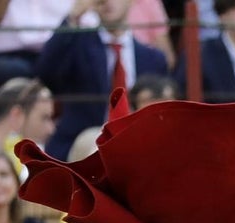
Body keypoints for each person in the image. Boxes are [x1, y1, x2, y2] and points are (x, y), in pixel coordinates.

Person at [36, 0, 170, 160]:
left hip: (137, 148)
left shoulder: (153, 59)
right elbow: (45, 72)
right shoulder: (77, 47)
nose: (107, 2)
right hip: (84, 148)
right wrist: (73, 17)